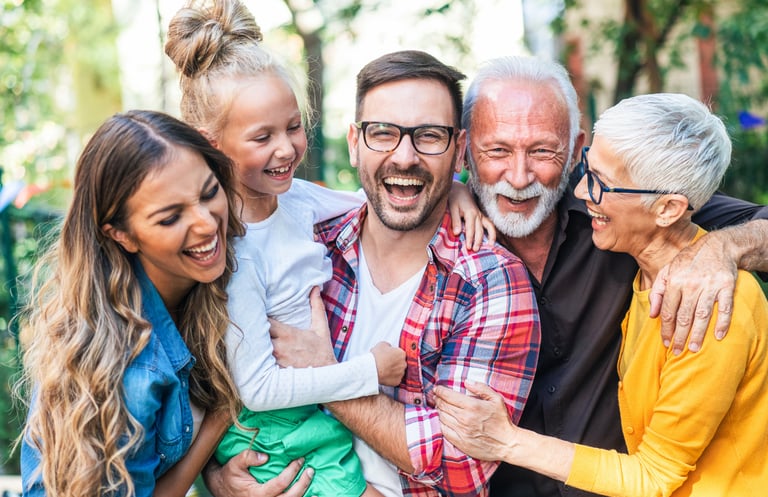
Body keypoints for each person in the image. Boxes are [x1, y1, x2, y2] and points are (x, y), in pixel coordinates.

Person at [164, 3, 490, 496]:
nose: (286, 148)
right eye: (262, 137)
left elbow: (378, 197)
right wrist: (367, 372)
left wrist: (456, 188)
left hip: (307, 415)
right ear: (212, 144)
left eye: (293, 127)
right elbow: (257, 388)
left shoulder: (296, 200)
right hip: (270, 425)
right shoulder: (234, 251)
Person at [441, 55, 768, 497]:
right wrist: (450, 187)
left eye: (542, 151)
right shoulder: (443, 237)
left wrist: (724, 247)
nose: (517, 177)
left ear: (574, 148)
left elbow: (655, 474)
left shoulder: (646, 223)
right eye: (496, 151)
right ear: (464, 149)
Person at [267, 50, 541, 497]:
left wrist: (325, 374)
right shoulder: (307, 248)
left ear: (459, 150)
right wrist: (222, 474)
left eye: (429, 136)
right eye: (383, 133)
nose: (405, 156)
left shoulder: (490, 281)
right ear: (354, 142)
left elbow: (460, 463)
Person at [18, 110, 245, 497]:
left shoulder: (200, 279)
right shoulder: (132, 368)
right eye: (170, 218)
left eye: (209, 193)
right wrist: (223, 415)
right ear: (121, 234)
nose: (207, 223)